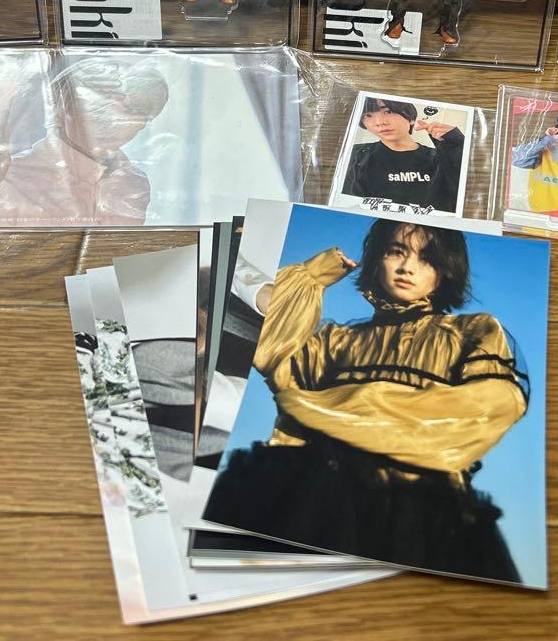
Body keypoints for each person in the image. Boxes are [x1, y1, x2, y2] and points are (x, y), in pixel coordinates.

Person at [204, 220, 528, 581]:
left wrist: (346, 407)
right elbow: (277, 356)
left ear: (445, 273)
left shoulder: (472, 333)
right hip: (308, 490)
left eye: (427, 259)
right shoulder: (335, 340)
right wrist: (312, 277)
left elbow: (482, 410)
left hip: (416, 505)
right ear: (376, 259)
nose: (407, 268)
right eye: (395, 252)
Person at [0, 61, 170, 226]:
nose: (118, 120)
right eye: (98, 108)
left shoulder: (133, 184)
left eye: (136, 112)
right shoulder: (6, 180)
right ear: (59, 111)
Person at [341, 97, 465, 212]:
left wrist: (457, 146)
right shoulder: (355, 155)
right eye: (368, 115)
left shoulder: (441, 157)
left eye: (388, 111)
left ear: (411, 118)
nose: (379, 122)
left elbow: (459, 197)